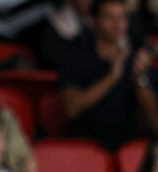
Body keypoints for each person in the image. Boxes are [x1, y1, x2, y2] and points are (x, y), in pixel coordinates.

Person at [59, 0, 147, 149]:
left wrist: (141, 79)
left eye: (122, 17)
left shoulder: (135, 56)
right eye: (109, 17)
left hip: (126, 140)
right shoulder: (76, 55)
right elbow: (72, 109)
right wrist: (112, 77)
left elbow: (148, 118)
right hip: (86, 140)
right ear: (94, 21)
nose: (117, 24)